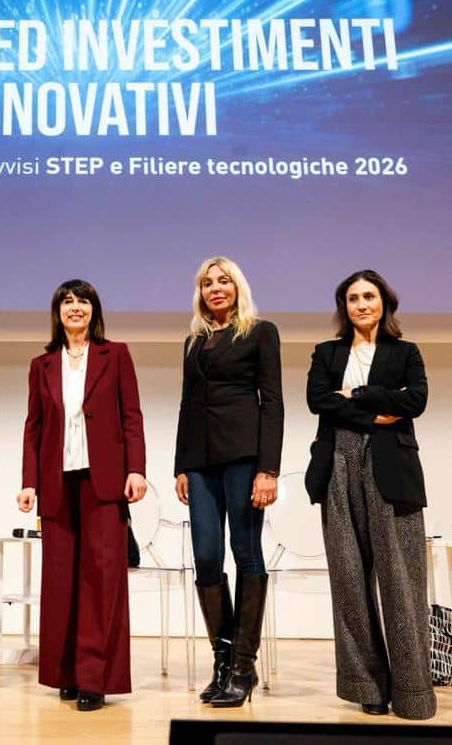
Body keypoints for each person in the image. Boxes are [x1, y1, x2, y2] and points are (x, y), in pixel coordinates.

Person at [305, 269, 436, 720]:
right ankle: (368, 687)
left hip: (391, 467)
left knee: (401, 580)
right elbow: (318, 400)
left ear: (385, 303)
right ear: (344, 307)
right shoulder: (326, 352)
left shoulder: (405, 352)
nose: (361, 304)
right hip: (337, 463)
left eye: (369, 296)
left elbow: (415, 401)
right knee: (349, 580)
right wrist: (375, 411)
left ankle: (414, 692)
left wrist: (357, 393)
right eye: (353, 298)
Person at [18, 280, 148, 712]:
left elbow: (131, 416)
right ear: (57, 312)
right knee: (60, 581)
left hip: (104, 481)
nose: (76, 308)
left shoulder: (117, 355)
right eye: (67, 302)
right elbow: (34, 428)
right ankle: (66, 674)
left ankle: (95, 679)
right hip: (57, 483)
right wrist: (29, 482)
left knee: (101, 579)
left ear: (95, 310)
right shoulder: (42, 364)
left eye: (83, 301)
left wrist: (136, 469)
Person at [173, 256, 282, 708]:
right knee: (205, 556)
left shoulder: (260, 332)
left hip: (243, 457)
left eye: (223, 281)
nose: (215, 288)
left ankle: (243, 666)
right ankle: (222, 660)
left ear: (237, 287)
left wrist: (268, 469)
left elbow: (272, 402)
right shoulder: (193, 341)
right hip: (200, 461)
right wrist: (181, 466)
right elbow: (187, 404)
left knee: (245, 551)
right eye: (207, 283)